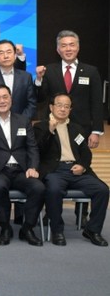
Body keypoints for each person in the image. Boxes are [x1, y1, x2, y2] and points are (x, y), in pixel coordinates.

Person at [35, 30, 103, 228]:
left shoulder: (90, 71)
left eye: (72, 44)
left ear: (78, 47)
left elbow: (96, 103)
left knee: (82, 167)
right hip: (54, 129)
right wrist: (38, 80)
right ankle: (50, 213)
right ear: (58, 49)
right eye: (63, 45)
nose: (68, 49)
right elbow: (41, 97)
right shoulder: (49, 70)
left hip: (81, 129)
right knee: (52, 169)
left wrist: (96, 131)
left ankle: (82, 214)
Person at [0, 84, 45, 246]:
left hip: (21, 170)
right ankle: (5, 227)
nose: (2, 101)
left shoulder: (23, 120)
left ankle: (27, 228)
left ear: (11, 99)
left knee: (39, 187)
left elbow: (32, 147)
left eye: (5, 97)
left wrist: (33, 167)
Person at [34, 93, 109, 247]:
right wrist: (50, 131)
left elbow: (86, 153)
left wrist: (82, 166)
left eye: (66, 106)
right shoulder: (40, 126)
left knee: (102, 190)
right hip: (55, 171)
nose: (63, 109)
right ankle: (57, 230)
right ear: (51, 107)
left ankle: (92, 230)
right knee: (54, 190)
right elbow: (38, 151)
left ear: (70, 109)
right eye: (59, 105)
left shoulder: (77, 128)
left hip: (76, 170)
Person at [0, 39, 36, 120]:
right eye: (1, 53)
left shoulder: (26, 77)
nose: (5, 56)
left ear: (15, 55)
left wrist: (22, 121)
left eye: (9, 52)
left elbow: (32, 103)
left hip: (21, 122)